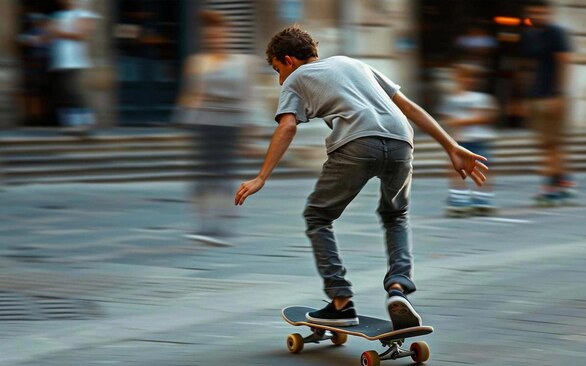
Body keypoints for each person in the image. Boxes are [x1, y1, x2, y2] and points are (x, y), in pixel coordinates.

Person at [235, 25, 488, 329]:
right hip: (401, 141)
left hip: (357, 143)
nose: (280, 80)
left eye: (278, 70)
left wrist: (262, 177)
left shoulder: (296, 78)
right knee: (396, 215)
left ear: (288, 60)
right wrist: (451, 145)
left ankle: (341, 302)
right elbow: (407, 107)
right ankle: (398, 288)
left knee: (318, 216)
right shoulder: (354, 63)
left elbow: (287, 127)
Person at [175, 10, 253, 247]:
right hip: (204, 123)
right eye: (210, 36)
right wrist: (183, 119)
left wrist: (250, 131)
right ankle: (204, 224)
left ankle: (222, 225)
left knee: (223, 176)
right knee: (201, 177)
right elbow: (190, 94)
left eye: (219, 35)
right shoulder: (197, 63)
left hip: (229, 125)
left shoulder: (243, 63)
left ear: (227, 35)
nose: (215, 39)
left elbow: (248, 97)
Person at [520, 0, 574, 205]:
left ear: (548, 12)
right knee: (544, 144)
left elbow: (564, 62)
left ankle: (550, 188)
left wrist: (559, 94)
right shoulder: (530, 36)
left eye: (540, 11)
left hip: (553, 97)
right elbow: (528, 67)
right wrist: (525, 98)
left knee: (552, 145)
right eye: (532, 11)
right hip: (536, 96)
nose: (536, 15)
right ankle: (565, 184)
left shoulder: (556, 33)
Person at [440, 63, 498, 217]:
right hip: (460, 141)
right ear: (456, 78)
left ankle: (483, 199)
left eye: (470, 76)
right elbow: (447, 120)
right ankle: (459, 199)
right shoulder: (451, 99)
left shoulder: (482, 98)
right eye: (463, 76)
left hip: (479, 139)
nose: (467, 79)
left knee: (484, 169)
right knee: (456, 170)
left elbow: (486, 117)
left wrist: (460, 122)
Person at [48, 0, 98, 131]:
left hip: (73, 60)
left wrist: (59, 32)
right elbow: (48, 34)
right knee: (63, 91)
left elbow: (82, 35)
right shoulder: (58, 16)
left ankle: (85, 121)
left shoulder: (83, 14)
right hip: (59, 60)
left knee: (72, 90)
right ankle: (69, 122)